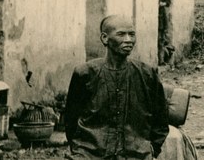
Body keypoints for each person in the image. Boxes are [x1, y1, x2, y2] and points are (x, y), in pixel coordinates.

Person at [64, 15, 169, 160]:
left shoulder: (147, 74)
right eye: (121, 34)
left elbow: (161, 120)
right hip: (90, 154)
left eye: (132, 34)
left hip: (135, 155)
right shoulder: (85, 73)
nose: (128, 40)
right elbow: (71, 119)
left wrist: (151, 149)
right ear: (105, 38)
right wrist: (78, 149)